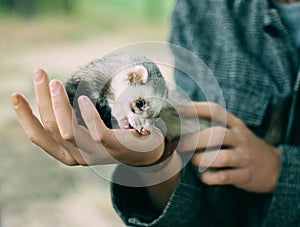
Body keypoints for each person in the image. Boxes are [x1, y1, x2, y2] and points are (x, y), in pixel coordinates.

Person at [11, 0, 300, 226]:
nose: (140, 121)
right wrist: (155, 160)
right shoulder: (199, 9)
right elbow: (196, 211)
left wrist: (283, 172)